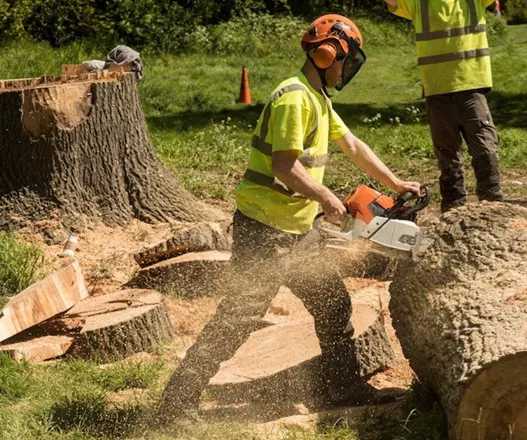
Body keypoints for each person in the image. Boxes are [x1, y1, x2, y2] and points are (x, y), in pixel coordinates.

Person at [158, 14, 421, 422]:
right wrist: (326, 197)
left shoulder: (317, 98)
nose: (346, 70)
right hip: (265, 229)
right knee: (239, 316)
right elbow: (284, 166)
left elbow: (351, 143)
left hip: (299, 230)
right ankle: (177, 401)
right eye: (344, 61)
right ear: (326, 54)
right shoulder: (294, 98)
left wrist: (395, 181)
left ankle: (341, 386)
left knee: (333, 305)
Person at [385, 0, 504, 212]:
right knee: (447, 156)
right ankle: (452, 210)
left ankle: (492, 207)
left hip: (472, 87)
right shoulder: (417, 3)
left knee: (485, 149)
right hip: (436, 91)